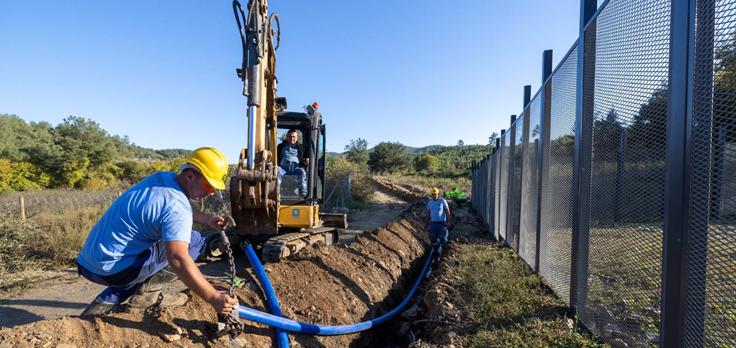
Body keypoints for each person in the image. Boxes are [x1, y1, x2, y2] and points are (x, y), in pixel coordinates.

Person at [76, 147, 239, 316]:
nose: (211, 193)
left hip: (88, 262)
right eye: (208, 185)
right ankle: (148, 295)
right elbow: (178, 259)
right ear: (190, 176)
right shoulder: (177, 209)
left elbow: (169, 207)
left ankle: (104, 302)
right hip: (112, 272)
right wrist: (214, 298)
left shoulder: (162, 177)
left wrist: (206, 219)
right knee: (195, 241)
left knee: (163, 243)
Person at [277, 129, 309, 196]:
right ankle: (276, 191)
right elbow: (275, 157)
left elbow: (306, 157)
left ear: (297, 138)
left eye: (294, 137)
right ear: (287, 137)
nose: (292, 138)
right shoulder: (280, 147)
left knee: (302, 171)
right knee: (277, 170)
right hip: (283, 170)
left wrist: (307, 160)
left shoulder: (302, 148)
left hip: (296, 170)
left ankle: (303, 192)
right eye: (290, 136)